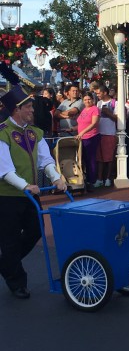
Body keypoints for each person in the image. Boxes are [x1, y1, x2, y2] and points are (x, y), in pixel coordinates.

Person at [0, 85, 67, 299]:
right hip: (8, 197)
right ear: (16, 110)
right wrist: (25, 186)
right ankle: (17, 281)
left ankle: (7, 264)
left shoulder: (34, 132)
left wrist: (56, 177)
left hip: (31, 194)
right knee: (9, 240)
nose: (32, 110)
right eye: (28, 107)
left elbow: (45, 160)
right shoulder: (3, 134)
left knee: (35, 231)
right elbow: (4, 170)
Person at [75, 92, 101, 191]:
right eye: (85, 100)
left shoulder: (95, 109)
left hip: (91, 137)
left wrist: (82, 133)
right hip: (82, 138)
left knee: (90, 160)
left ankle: (92, 181)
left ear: (93, 100)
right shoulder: (84, 110)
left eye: (89, 99)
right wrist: (73, 129)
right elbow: (81, 124)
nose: (87, 101)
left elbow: (94, 123)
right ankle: (86, 180)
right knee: (84, 160)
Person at [95, 85, 117, 187]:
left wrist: (108, 113)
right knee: (99, 158)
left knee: (109, 158)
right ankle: (99, 179)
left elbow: (118, 118)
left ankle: (108, 178)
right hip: (99, 133)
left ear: (105, 93)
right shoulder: (98, 103)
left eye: (99, 93)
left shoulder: (114, 103)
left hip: (110, 133)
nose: (97, 95)